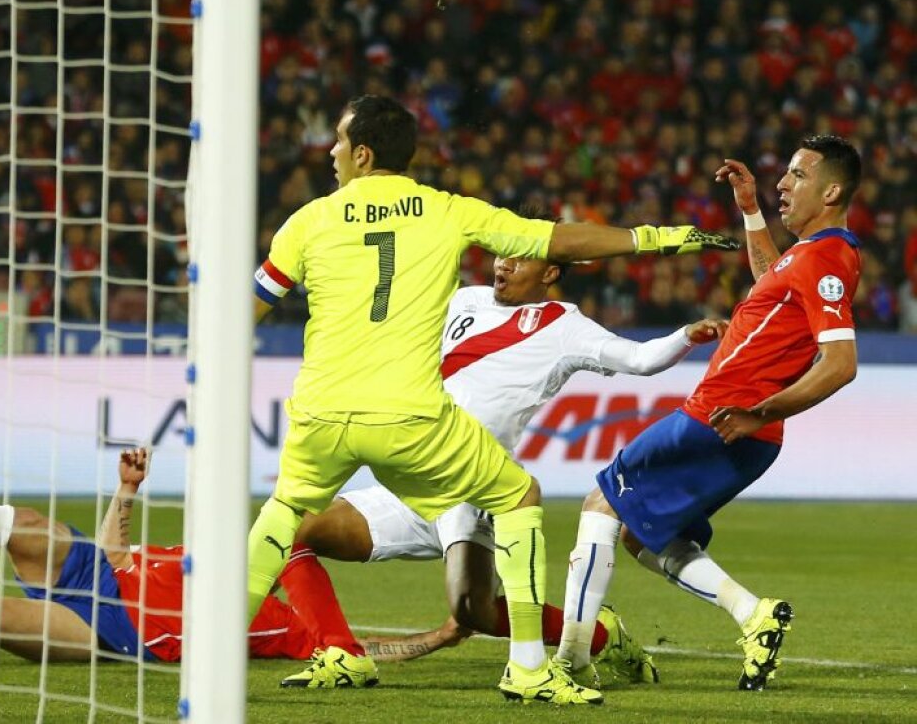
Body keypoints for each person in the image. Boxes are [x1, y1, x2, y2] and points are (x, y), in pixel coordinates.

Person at [248, 94, 739, 705]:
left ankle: (217, 654)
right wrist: (660, 238)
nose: (331, 150)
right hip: (415, 438)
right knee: (505, 502)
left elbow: (251, 305)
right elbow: (553, 237)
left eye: (340, 142)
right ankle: (475, 664)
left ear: (363, 153)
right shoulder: (454, 237)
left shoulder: (309, 220)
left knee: (307, 531)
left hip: (365, 427)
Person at [298, 251, 729, 686]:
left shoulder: (565, 325)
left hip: (474, 485)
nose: (503, 266)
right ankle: (340, 653)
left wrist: (686, 336)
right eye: (502, 257)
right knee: (297, 531)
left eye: (519, 261)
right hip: (409, 478)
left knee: (473, 610)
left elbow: (640, 359)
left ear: (550, 272)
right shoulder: (465, 300)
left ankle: (603, 636)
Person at [552, 135, 862, 692]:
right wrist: (749, 211)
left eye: (797, 175)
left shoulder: (828, 260)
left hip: (721, 418)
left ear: (832, 189)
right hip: (743, 428)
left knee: (602, 501)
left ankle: (570, 661)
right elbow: (773, 280)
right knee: (642, 537)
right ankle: (752, 615)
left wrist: (755, 409)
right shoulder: (806, 256)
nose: (782, 184)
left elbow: (840, 363)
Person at [0, 449, 374, 685]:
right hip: (102, 573)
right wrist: (126, 490)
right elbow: (116, 549)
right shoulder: (204, 557)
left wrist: (443, 634)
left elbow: (366, 648)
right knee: (28, 525)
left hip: (116, 632)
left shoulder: (279, 622)